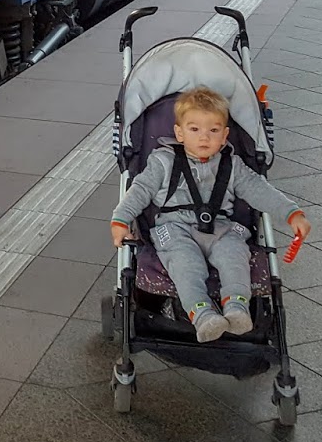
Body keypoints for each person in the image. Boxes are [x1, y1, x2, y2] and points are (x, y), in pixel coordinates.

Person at [110, 87, 311, 343]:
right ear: (179, 133)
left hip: (221, 226)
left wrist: (292, 213)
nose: (204, 137)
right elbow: (140, 191)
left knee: (234, 255)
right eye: (194, 129)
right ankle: (202, 315)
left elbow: (259, 190)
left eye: (213, 130)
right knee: (185, 264)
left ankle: (236, 307)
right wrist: (121, 219)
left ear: (225, 135)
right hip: (174, 227)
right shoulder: (162, 161)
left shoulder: (232, 165)